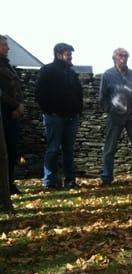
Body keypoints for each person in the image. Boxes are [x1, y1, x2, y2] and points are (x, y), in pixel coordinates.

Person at [99, 48, 132, 185]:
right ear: (114, 58)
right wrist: (109, 110)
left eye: (126, 56)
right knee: (109, 148)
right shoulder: (107, 75)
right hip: (114, 117)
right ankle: (106, 178)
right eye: (120, 56)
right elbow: (102, 97)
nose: (123, 58)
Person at [35, 42, 83, 190]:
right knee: (53, 148)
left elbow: (79, 93)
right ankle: (49, 181)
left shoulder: (71, 73)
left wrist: (78, 110)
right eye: (68, 53)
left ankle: (69, 180)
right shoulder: (47, 70)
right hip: (54, 117)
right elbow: (39, 93)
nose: (70, 56)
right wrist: (50, 111)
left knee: (68, 149)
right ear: (58, 54)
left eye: (70, 53)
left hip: (71, 117)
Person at [0, 35, 24, 195]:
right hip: (2, 114)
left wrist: (20, 106)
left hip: (12, 115)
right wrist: (15, 105)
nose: (8, 48)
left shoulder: (7, 66)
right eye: (4, 45)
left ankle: (9, 183)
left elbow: (17, 89)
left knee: (11, 150)